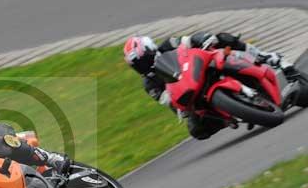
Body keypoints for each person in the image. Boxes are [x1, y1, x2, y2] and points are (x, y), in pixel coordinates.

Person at [123, 32, 298, 139]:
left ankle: (267, 56)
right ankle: (231, 117)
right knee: (196, 130)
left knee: (222, 38)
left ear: (150, 48)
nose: (143, 65)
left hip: (203, 66)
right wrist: (182, 109)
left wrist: (204, 38)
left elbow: (188, 40)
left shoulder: (168, 45)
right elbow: (168, 101)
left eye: (143, 59)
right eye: (138, 64)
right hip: (192, 94)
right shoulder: (150, 83)